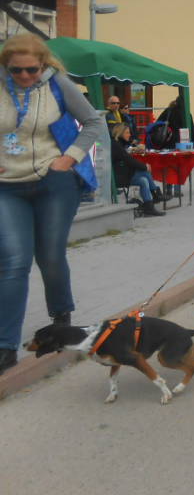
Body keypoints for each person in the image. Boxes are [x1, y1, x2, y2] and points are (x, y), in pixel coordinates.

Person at [0, 34, 104, 375]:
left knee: (49, 255)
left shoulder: (58, 83)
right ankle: (5, 346)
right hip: (7, 186)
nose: (26, 77)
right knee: (14, 262)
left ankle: (61, 315)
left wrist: (70, 158)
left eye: (33, 69)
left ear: (43, 65)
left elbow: (92, 121)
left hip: (53, 182)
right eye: (17, 71)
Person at [110, 122, 164, 217]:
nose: (130, 134)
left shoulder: (118, 143)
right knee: (144, 171)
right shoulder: (116, 145)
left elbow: (127, 156)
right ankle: (156, 194)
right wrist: (145, 166)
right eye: (127, 132)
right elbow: (129, 160)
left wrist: (134, 149)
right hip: (118, 177)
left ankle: (150, 206)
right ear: (120, 133)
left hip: (122, 174)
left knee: (143, 181)